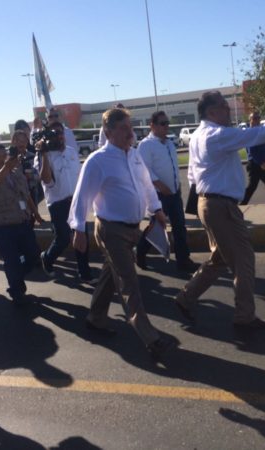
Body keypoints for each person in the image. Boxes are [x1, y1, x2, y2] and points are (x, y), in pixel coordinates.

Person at [174, 91, 265, 330]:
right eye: (224, 107)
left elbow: (192, 174)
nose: (229, 110)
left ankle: (186, 298)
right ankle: (244, 317)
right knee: (244, 260)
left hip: (209, 204)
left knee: (221, 258)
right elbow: (258, 133)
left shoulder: (198, 136)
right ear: (212, 112)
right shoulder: (216, 135)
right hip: (220, 206)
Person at [69, 108, 175, 358]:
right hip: (111, 230)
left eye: (131, 126)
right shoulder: (98, 160)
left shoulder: (135, 156)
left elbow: (147, 186)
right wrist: (78, 228)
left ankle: (95, 318)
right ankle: (150, 338)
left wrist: (156, 209)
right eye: (124, 128)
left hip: (132, 230)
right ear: (109, 132)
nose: (131, 132)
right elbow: (81, 196)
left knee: (111, 274)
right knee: (129, 282)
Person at [136, 111, 198, 272]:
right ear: (153, 125)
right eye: (163, 123)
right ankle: (140, 252)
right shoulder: (146, 145)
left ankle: (183, 260)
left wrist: (176, 184)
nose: (166, 126)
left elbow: (173, 167)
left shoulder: (170, 143)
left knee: (179, 227)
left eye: (167, 123)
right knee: (156, 226)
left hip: (174, 193)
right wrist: (159, 184)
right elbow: (144, 170)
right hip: (159, 194)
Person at [0, 144, 43, 305]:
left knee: (33, 255)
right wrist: (6, 168)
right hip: (2, 227)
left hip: (22, 222)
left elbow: (26, 194)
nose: (2, 159)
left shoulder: (16, 173)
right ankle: (17, 291)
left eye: (4, 155)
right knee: (12, 260)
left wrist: (35, 212)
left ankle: (15, 276)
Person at [34, 121, 96, 283]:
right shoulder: (42, 155)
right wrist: (44, 154)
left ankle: (85, 273)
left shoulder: (71, 152)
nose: (58, 137)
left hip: (75, 200)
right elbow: (46, 180)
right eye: (54, 134)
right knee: (63, 239)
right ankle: (47, 257)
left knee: (82, 236)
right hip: (57, 203)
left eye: (60, 133)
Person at [240, 111, 265, 205]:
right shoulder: (250, 133)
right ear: (250, 120)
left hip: (262, 162)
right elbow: (251, 151)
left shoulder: (259, 131)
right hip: (255, 164)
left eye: (258, 118)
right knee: (252, 187)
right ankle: (241, 205)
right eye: (255, 118)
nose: (257, 120)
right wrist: (262, 163)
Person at [11, 129, 42, 206]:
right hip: (16, 193)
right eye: (18, 141)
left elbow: (40, 174)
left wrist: (32, 176)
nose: (21, 143)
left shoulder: (32, 156)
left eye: (24, 141)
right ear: (13, 142)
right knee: (22, 213)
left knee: (33, 213)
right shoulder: (8, 158)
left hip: (32, 191)